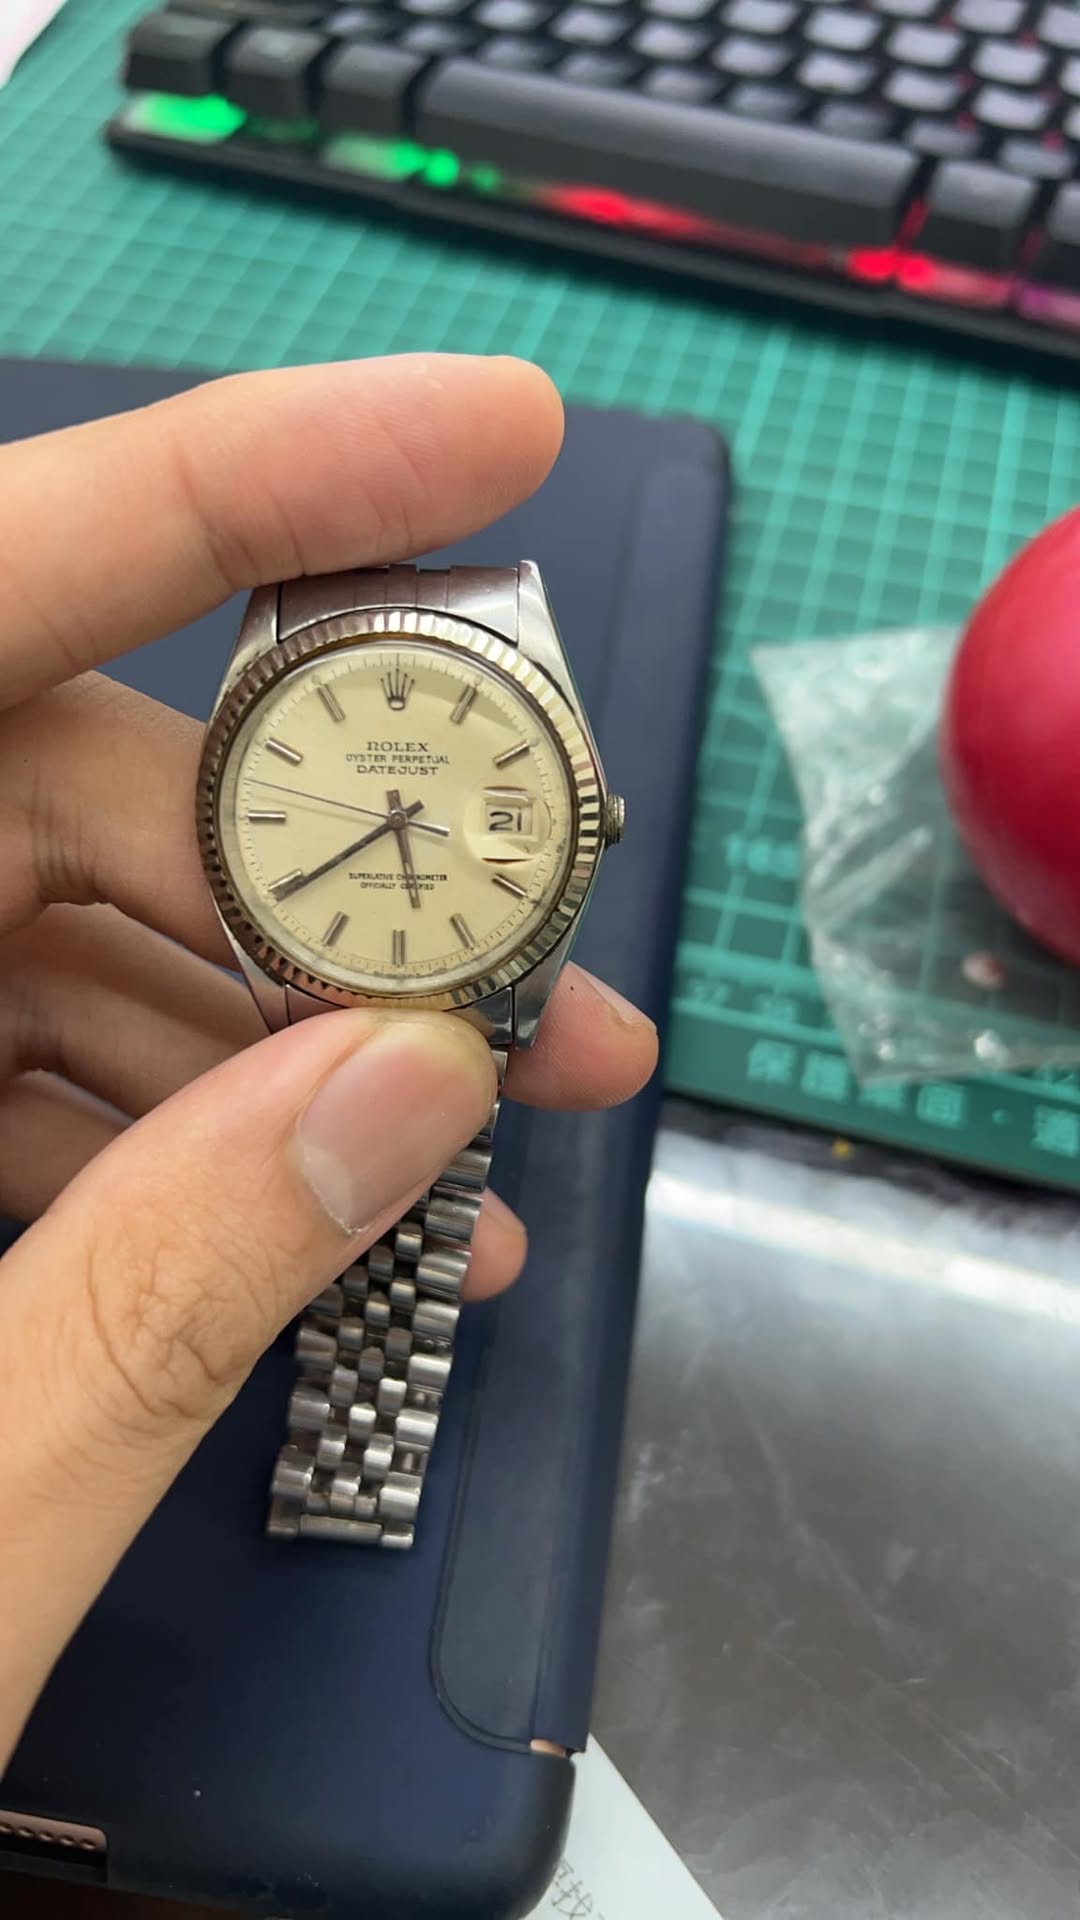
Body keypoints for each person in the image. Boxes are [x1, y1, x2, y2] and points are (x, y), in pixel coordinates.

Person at [0, 354, 658, 1775]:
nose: (405, 820)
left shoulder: (447, 681)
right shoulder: (290, 825)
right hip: (322, 952)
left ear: (584, 820)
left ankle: (355, 1455)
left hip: (387, 944)